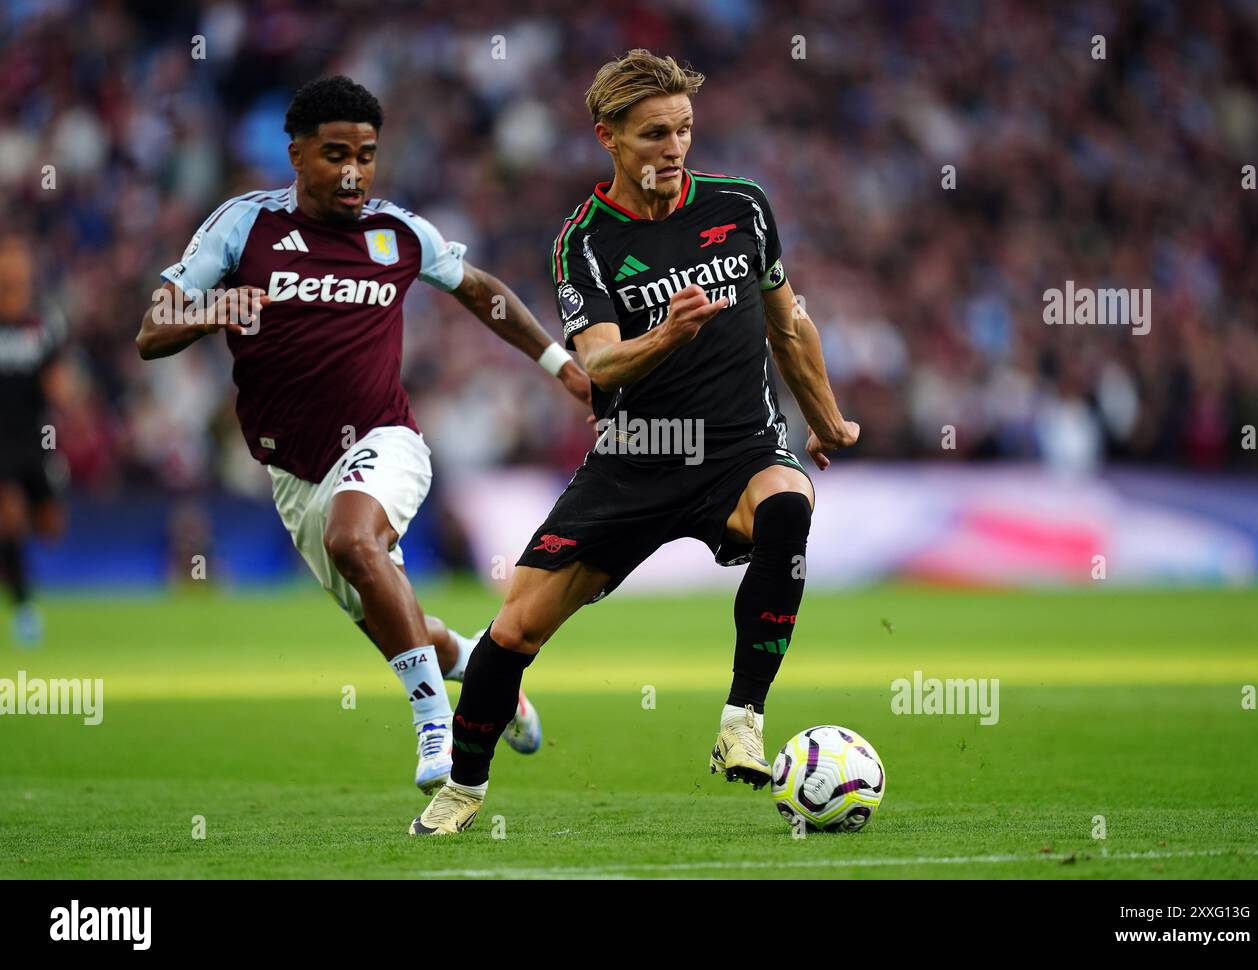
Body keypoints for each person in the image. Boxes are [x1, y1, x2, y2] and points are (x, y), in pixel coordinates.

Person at [412, 51, 858, 835]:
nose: (675, 147)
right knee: (513, 630)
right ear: (608, 138)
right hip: (636, 458)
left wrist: (824, 418)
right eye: (655, 133)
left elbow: (788, 321)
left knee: (789, 508)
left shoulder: (742, 207)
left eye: (684, 129)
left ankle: (741, 719)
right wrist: (668, 332)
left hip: (738, 449)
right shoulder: (584, 241)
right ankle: (464, 788)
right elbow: (599, 360)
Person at [137, 76, 591, 793]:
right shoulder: (243, 226)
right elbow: (151, 332)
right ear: (296, 154)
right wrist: (217, 307)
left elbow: (482, 292)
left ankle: (435, 723)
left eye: (367, 155)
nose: (352, 171)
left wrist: (559, 363)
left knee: (356, 540)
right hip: (293, 475)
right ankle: (475, 662)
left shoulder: (400, 233)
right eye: (334, 154)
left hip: (386, 442)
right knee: (400, 622)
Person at [0, 232, 72, 646]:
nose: (15, 268)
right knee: (7, 515)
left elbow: (56, 384)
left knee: (48, 527)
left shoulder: (42, 324)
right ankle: (25, 608)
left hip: (35, 440)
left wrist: (68, 399)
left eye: (20, 259)